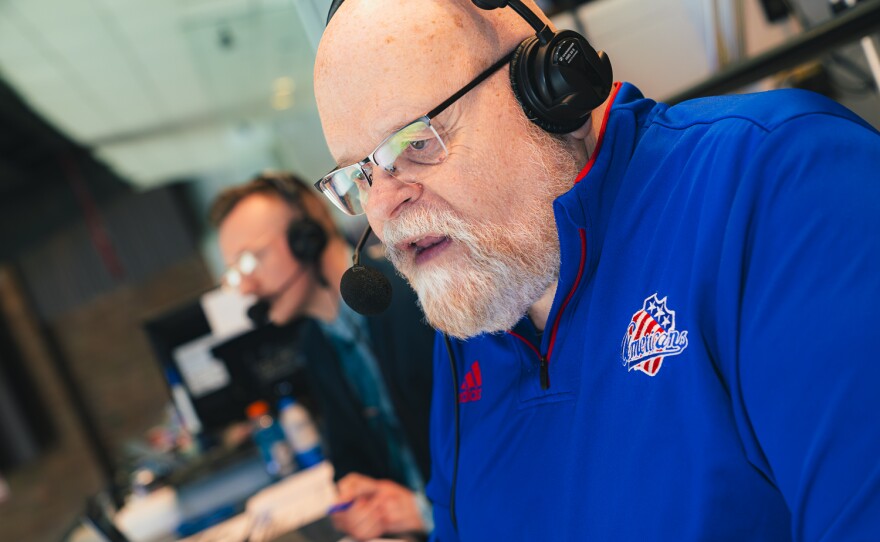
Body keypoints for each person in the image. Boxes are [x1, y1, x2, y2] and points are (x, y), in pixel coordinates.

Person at [313, 1, 880, 540]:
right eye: (358, 177)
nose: (384, 210)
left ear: (546, 90)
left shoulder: (778, 184)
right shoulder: (476, 316)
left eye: (414, 141)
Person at [210, 172, 434, 540]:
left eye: (250, 263)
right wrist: (355, 497)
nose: (246, 288)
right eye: (236, 274)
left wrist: (426, 513)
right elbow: (349, 457)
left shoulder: (413, 295)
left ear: (306, 238)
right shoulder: (316, 344)